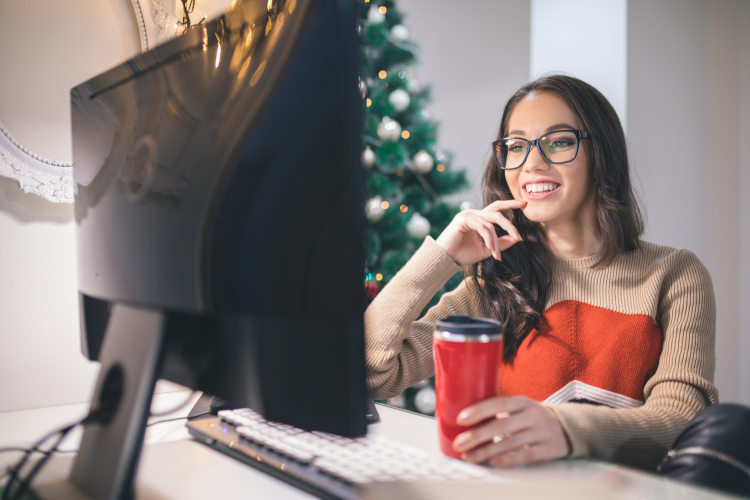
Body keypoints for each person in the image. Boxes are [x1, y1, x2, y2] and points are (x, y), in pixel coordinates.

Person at [364, 74, 718, 471]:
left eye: (560, 141)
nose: (532, 163)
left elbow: (680, 421)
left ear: (602, 154)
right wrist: (443, 254)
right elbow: (373, 374)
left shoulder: (675, 276)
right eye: (516, 146)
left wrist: (564, 429)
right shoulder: (493, 285)